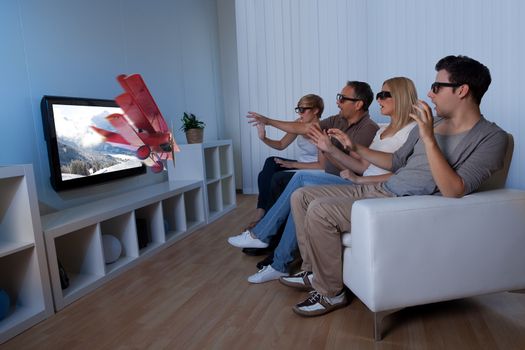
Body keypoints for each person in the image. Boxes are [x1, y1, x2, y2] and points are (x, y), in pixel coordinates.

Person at [282, 55, 508, 317]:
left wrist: (428, 138)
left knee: (321, 210)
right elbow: (397, 161)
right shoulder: (432, 123)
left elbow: (454, 189)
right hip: (384, 187)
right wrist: (354, 147)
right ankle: (313, 271)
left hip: (400, 201)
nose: (429, 94)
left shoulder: (491, 138)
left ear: (462, 90)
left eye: (436, 87)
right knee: (302, 196)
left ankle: (331, 293)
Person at [228, 77, 418, 284]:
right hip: (355, 181)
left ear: (358, 104)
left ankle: (262, 237)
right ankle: (279, 263)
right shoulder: (380, 130)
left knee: (299, 179)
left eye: (384, 95)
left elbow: (401, 172)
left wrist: (351, 169)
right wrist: (269, 122)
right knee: (296, 193)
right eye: (379, 95)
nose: (337, 102)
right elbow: (363, 166)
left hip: (365, 187)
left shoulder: (390, 130)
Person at [247, 94, 324, 229]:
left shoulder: (320, 128)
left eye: (303, 110)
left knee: (271, 177)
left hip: (314, 168)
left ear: (316, 110)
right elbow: (281, 145)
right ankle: (260, 213)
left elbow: (321, 165)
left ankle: (267, 220)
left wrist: (293, 165)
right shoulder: (298, 123)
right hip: (300, 165)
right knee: (270, 162)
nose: (300, 113)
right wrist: (264, 138)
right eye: (298, 109)